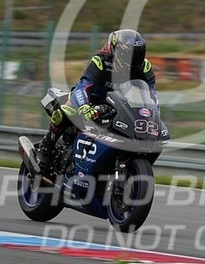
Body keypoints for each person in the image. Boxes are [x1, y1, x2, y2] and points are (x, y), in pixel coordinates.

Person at [37, 29, 157, 174]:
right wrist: (84, 107)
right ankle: (46, 148)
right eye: (128, 55)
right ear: (116, 50)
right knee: (67, 111)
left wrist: (152, 114)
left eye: (137, 55)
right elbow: (83, 86)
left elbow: (151, 95)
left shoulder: (145, 68)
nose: (133, 60)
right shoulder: (100, 61)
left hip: (119, 105)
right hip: (91, 100)